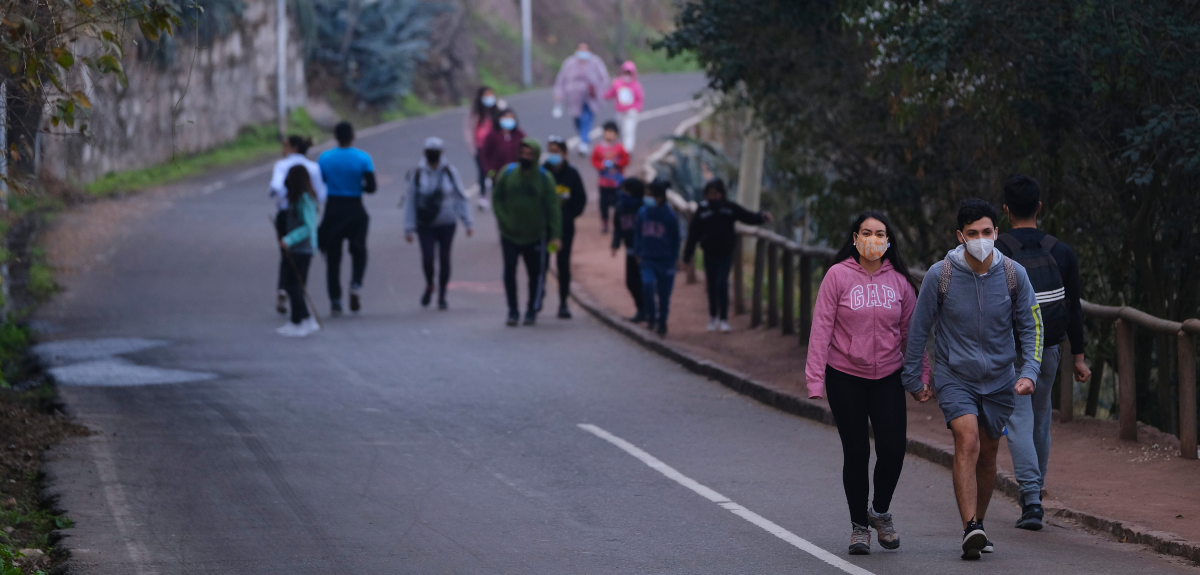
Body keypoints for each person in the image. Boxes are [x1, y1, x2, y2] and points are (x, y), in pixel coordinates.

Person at [902, 198, 1043, 561]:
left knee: (989, 452)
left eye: (986, 232)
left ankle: (978, 522)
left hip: (1000, 378)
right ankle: (970, 527)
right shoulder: (941, 275)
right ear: (960, 236)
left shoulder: (1014, 275)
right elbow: (919, 329)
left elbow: (1032, 325)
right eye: (972, 233)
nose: (980, 239)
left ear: (996, 232)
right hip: (956, 375)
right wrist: (914, 377)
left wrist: (1029, 372)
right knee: (967, 440)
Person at [805, 211, 930, 555]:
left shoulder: (900, 283)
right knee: (857, 452)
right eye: (866, 232)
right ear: (855, 236)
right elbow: (821, 329)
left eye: (879, 233)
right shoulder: (837, 276)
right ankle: (859, 527)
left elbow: (911, 335)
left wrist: (921, 376)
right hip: (844, 376)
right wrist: (815, 379)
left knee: (892, 448)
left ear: (888, 241)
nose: (872, 239)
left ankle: (880, 511)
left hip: (888, 375)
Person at [997, 174, 1091, 531]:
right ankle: (1034, 494)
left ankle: (1032, 500)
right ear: (1039, 207)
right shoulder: (1061, 251)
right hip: (1050, 347)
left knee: (1018, 420)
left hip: (1010, 352)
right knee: (1040, 418)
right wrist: (1079, 357)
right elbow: (1075, 308)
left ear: (1006, 210)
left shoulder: (998, 250)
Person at [681, 178, 772, 332]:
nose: (714, 197)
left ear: (722, 194)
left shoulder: (729, 208)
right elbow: (693, 234)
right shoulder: (702, 210)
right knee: (711, 285)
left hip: (725, 253)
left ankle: (723, 319)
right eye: (710, 194)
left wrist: (762, 216)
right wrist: (687, 256)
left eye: (716, 194)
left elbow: (747, 216)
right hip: (709, 253)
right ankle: (712, 317)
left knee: (722, 284)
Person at [492, 138, 562, 326]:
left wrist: (555, 234)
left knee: (535, 274)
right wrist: (503, 220)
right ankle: (512, 310)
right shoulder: (507, 173)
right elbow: (497, 198)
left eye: (530, 154)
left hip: (535, 236)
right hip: (509, 234)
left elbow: (553, 208)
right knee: (509, 270)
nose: (525, 157)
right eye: (523, 153)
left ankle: (532, 308)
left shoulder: (544, 179)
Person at [404, 137, 473, 310]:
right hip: (425, 224)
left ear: (441, 153)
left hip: (447, 222)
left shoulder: (450, 172)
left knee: (444, 258)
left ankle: (442, 294)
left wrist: (467, 221)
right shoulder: (417, 173)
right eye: (430, 151)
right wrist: (409, 227)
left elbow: (460, 197)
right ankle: (430, 284)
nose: (433, 155)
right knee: (428, 258)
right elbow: (411, 200)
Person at [318, 122, 376, 316]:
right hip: (355, 208)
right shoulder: (363, 158)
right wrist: (357, 186)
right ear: (353, 136)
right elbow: (372, 187)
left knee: (333, 258)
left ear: (335, 136)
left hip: (333, 209)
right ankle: (356, 284)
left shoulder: (325, 158)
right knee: (359, 250)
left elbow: (322, 182)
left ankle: (335, 300)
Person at [269, 135, 326, 315]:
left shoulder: (282, 165)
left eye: (285, 146)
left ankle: (286, 291)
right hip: (303, 211)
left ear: (293, 147)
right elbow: (321, 194)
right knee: (297, 259)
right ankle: (296, 303)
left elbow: (275, 188)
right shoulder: (314, 167)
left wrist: (285, 198)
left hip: (288, 213)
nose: (282, 149)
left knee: (287, 253)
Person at [541, 135, 587, 319]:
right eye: (550, 151)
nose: (553, 155)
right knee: (542, 263)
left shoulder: (572, 175)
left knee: (563, 264)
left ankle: (563, 303)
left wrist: (567, 218)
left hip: (565, 229)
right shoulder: (543, 173)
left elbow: (580, 200)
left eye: (557, 152)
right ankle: (538, 295)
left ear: (565, 153)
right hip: (545, 229)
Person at [276, 165, 321, 337]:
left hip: (303, 249)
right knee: (291, 285)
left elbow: (309, 227)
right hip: (296, 249)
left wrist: (289, 239)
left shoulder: (305, 199)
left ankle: (306, 320)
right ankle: (295, 321)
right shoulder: (295, 199)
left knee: (295, 286)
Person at [634, 180, 681, 337]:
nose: (646, 198)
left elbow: (676, 238)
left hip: (666, 260)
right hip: (647, 259)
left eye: (649, 195)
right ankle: (651, 316)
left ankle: (662, 321)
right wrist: (638, 252)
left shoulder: (670, 216)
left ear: (659, 197)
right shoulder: (642, 213)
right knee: (647, 284)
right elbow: (638, 234)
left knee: (664, 294)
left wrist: (676, 258)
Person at [553, 42, 610, 156]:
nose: (583, 52)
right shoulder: (569, 63)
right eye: (581, 49)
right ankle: (582, 137)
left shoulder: (595, 62)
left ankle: (584, 142)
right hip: (574, 98)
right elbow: (561, 79)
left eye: (585, 50)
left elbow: (604, 78)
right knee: (578, 119)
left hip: (590, 97)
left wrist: (600, 91)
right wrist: (559, 93)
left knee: (586, 118)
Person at [611, 177, 646, 322]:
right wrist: (615, 244)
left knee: (645, 282)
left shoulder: (643, 208)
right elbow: (618, 227)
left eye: (625, 190)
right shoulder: (620, 207)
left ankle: (648, 311)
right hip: (630, 250)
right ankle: (641, 309)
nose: (622, 192)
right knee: (631, 282)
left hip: (644, 252)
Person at [463, 86, 503, 210]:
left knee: (495, 171)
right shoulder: (475, 112)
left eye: (490, 95)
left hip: (495, 148)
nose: (488, 98)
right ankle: (482, 197)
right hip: (480, 147)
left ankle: (498, 195)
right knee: (482, 171)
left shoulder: (498, 109)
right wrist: (472, 146)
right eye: (486, 95)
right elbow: (468, 128)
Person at [590, 121, 629, 234]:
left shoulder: (619, 147)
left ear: (616, 134)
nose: (609, 135)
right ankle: (605, 222)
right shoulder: (598, 148)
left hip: (617, 182)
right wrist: (600, 166)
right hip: (604, 183)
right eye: (607, 132)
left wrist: (618, 164)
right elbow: (594, 160)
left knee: (618, 204)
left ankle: (618, 223)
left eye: (612, 132)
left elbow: (626, 159)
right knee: (603, 205)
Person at [480, 108, 526, 195]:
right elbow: (485, 155)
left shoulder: (519, 134)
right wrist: (491, 173)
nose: (508, 120)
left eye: (511, 117)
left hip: (519, 177)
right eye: (506, 117)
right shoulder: (492, 135)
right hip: (499, 177)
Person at [604, 61, 644, 151]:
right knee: (620, 132)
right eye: (626, 72)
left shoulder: (636, 85)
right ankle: (620, 150)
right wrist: (602, 96)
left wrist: (637, 109)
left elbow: (640, 99)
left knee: (629, 131)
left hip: (631, 112)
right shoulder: (617, 83)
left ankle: (627, 151)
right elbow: (611, 93)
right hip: (619, 112)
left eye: (629, 73)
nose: (627, 75)